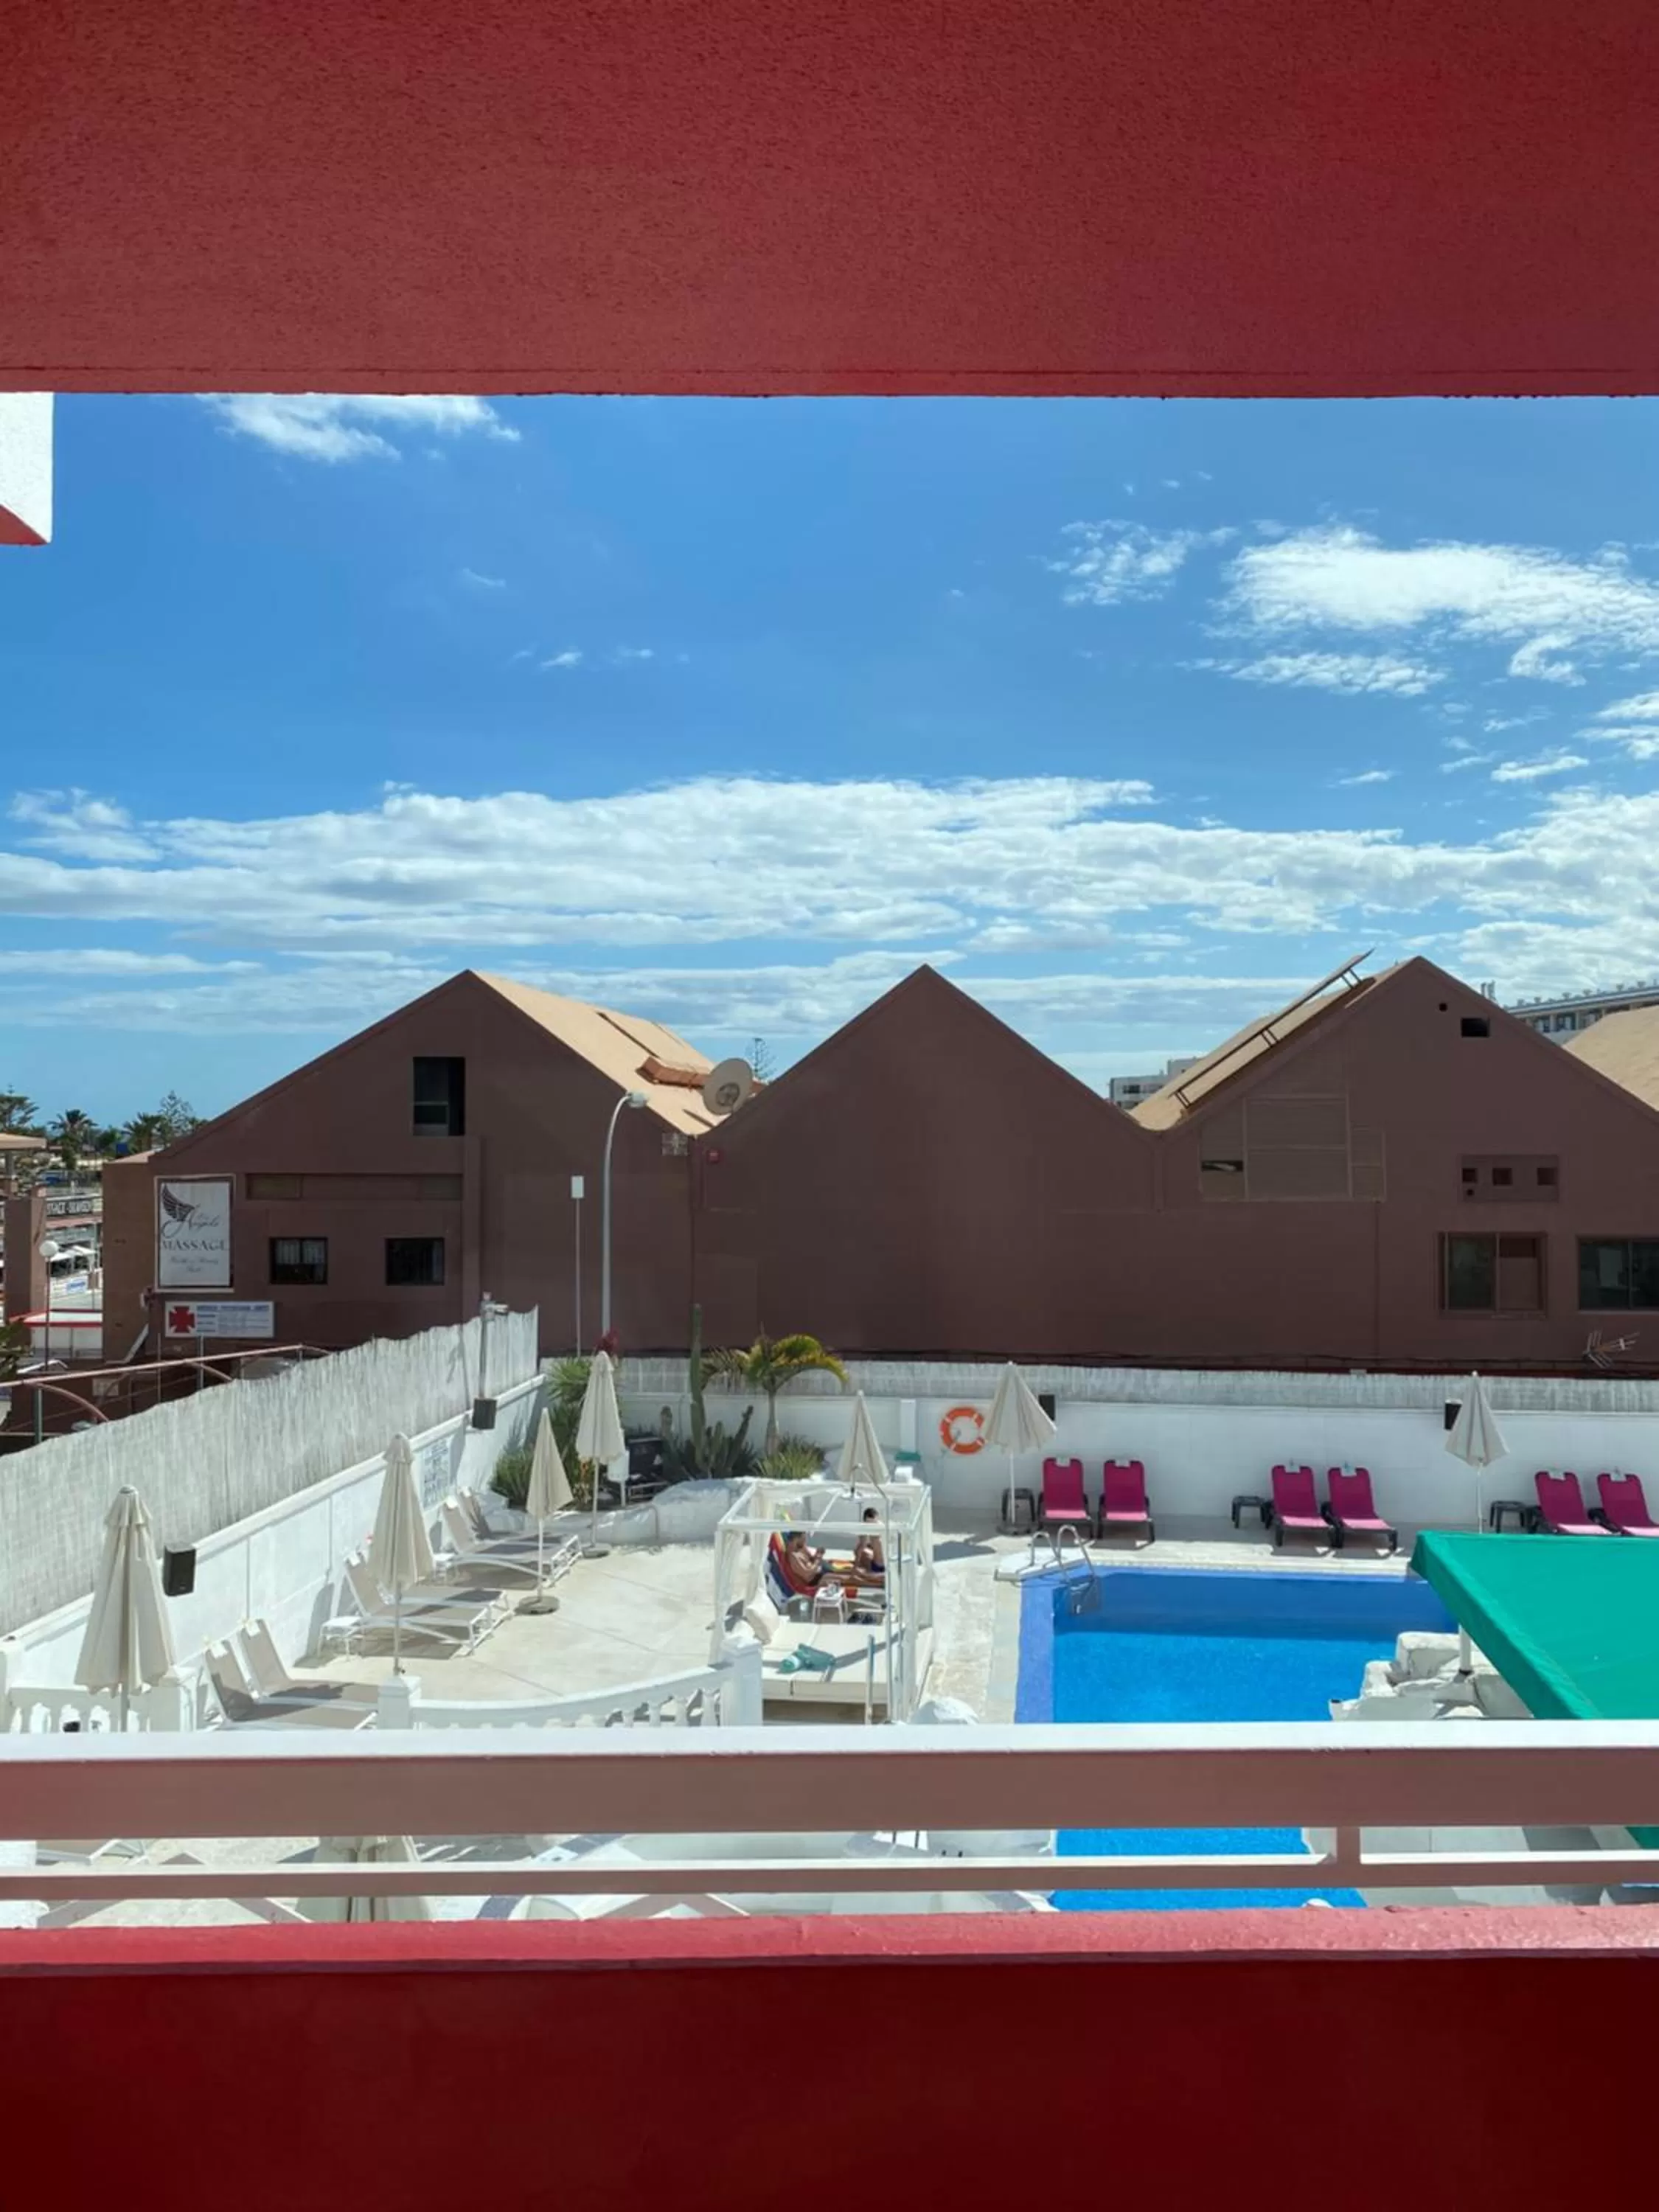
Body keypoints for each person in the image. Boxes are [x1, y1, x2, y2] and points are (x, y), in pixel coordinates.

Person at [852, 1506, 885, 1580]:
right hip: (877, 1564)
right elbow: (861, 1548)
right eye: (869, 1524)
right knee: (860, 1551)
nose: (871, 1527)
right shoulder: (865, 1529)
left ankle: (868, 1574)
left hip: (886, 1565)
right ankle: (867, 1572)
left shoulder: (884, 1528)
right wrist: (855, 1567)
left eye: (873, 1524)